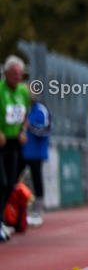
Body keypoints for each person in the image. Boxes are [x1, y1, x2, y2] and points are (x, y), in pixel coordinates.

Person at [0, 55, 31, 214]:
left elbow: (25, 114)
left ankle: (3, 219)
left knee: (11, 182)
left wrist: (22, 130)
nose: (18, 77)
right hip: (1, 143)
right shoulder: (0, 90)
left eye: (20, 74)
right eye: (14, 73)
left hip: (14, 142)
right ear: (5, 73)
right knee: (2, 182)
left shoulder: (23, 91)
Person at [22, 91, 51, 226]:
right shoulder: (23, 108)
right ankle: (19, 210)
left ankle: (38, 210)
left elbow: (47, 129)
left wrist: (30, 126)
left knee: (36, 179)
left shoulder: (41, 110)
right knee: (15, 179)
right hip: (22, 151)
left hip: (36, 152)